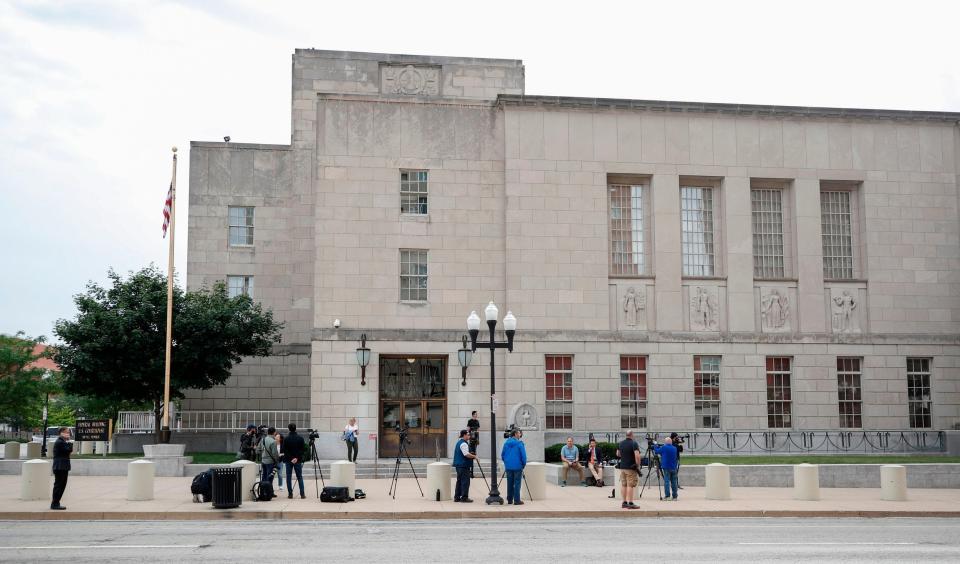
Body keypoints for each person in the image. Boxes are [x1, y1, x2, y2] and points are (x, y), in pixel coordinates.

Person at [501, 427, 527, 505]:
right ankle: (516, 500)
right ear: (515, 434)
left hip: (508, 466)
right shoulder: (519, 444)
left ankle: (509, 499)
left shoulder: (506, 443)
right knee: (517, 483)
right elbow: (524, 456)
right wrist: (523, 464)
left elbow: (502, 455)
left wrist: (507, 462)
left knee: (510, 483)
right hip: (518, 466)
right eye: (519, 433)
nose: (520, 434)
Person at [616, 430, 641, 509]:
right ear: (632, 435)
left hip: (622, 467)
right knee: (630, 485)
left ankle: (624, 502)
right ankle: (630, 502)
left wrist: (624, 456)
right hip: (631, 467)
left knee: (624, 485)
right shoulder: (634, 443)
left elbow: (618, 454)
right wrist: (637, 464)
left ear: (626, 435)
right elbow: (637, 455)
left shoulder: (621, 443)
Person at [452, 429, 478, 502]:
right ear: (464, 435)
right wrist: (474, 456)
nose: (469, 436)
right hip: (463, 465)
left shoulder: (459, 442)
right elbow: (466, 454)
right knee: (465, 482)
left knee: (459, 481)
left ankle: (457, 497)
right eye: (468, 434)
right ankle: (464, 497)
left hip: (459, 465)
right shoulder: (464, 444)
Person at [50, 427, 72, 510]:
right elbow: (69, 450)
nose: (68, 433)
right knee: (59, 486)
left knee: (62, 485)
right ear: (61, 432)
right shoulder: (60, 442)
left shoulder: (62, 441)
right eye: (66, 432)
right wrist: (69, 442)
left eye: (68, 432)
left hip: (62, 466)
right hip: (60, 467)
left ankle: (56, 502)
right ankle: (55, 504)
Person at [283, 423, 306, 499]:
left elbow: (285, 450)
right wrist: (296, 458)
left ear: (288, 429)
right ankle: (302, 494)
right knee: (299, 477)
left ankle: (290, 494)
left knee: (288, 477)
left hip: (289, 460)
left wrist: (291, 458)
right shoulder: (300, 438)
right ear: (295, 429)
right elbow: (302, 450)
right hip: (298, 460)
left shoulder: (286, 439)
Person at [259, 426, 280, 497]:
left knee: (264, 476)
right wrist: (277, 460)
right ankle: (269, 493)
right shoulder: (273, 441)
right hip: (270, 462)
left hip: (263, 461)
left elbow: (258, 449)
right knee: (270, 477)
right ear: (274, 432)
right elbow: (274, 453)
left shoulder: (263, 439)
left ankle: (262, 492)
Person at [467, 411, 480, 477]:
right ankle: (470, 472)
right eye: (475, 414)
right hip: (471, 439)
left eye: (476, 414)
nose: (476, 415)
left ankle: (472, 472)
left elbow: (478, 430)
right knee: (471, 455)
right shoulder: (470, 421)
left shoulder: (477, 421)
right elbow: (468, 429)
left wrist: (477, 437)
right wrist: (469, 436)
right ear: (473, 415)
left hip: (475, 439)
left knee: (474, 454)